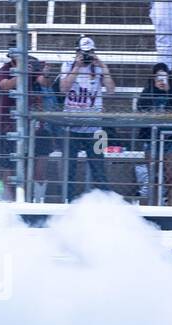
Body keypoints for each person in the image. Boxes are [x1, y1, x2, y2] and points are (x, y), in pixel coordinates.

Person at [60, 36, 116, 201]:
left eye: (90, 52)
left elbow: (111, 90)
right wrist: (77, 66)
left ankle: (105, 202)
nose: (87, 56)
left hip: (95, 128)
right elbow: (63, 88)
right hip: (71, 127)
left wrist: (104, 67)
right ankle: (67, 201)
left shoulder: (98, 68)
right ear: (77, 52)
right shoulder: (68, 65)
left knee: (99, 167)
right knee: (69, 168)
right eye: (84, 53)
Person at [0, 50, 56, 202]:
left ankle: (38, 203)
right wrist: (22, 74)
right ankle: (10, 206)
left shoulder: (33, 66)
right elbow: (4, 86)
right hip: (8, 126)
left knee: (39, 171)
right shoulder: (5, 69)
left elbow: (45, 83)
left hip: (36, 126)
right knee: (7, 171)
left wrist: (46, 73)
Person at [134, 62, 172, 204]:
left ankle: (171, 207)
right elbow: (141, 109)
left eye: (164, 77)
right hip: (150, 139)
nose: (161, 80)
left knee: (170, 176)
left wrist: (168, 91)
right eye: (158, 77)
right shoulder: (147, 92)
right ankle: (153, 205)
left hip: (171, 140)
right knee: (153, 176)